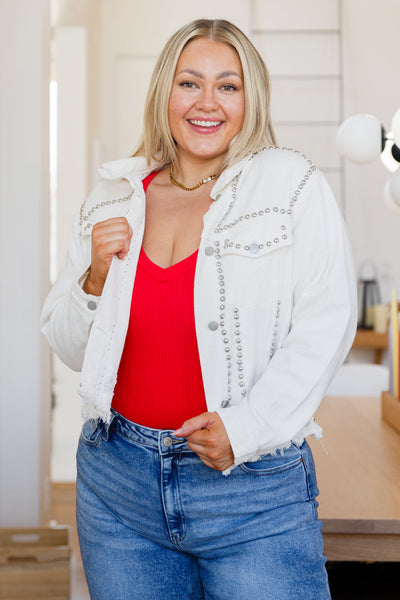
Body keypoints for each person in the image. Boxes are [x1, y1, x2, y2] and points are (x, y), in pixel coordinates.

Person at [41, 18, 357, 600]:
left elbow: (327, 323)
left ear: (250, 97)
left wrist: (248, 427)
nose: (206, 103)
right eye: (190, 83)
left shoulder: (290, 187)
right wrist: (94, 279)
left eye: (227, 86)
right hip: (118, 488)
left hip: (250, 490)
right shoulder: (111, 198)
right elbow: (67, 345)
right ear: (165, 93)